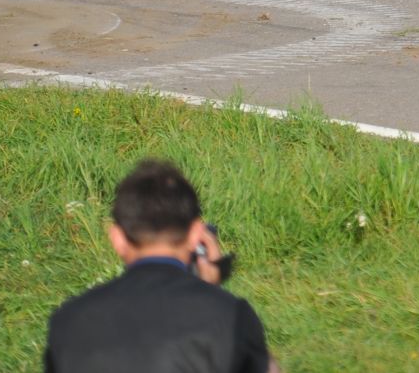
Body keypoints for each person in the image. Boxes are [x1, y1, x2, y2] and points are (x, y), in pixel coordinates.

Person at [43, 159, 273, 373]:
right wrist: (212, 291)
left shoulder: (68, 321)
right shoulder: (230, 315)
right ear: (196, 235)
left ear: (117, 239)